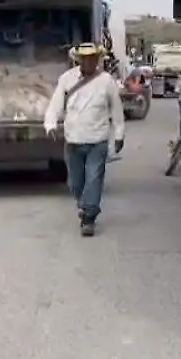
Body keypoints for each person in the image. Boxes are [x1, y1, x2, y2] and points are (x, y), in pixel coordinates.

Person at [43, 43, 124, 237]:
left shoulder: (106, 81)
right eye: (85, 58)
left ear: (97, 59)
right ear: (78, 60)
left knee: (94, 178)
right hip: (73, 141)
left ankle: (89, 217)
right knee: (75, 183)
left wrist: (119, 135)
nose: (89, 61)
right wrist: (51, 125)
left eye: (93, 58)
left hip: (98, 140)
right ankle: (84, 204)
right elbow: (55, 105)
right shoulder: (67, 79)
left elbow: (117, 111)